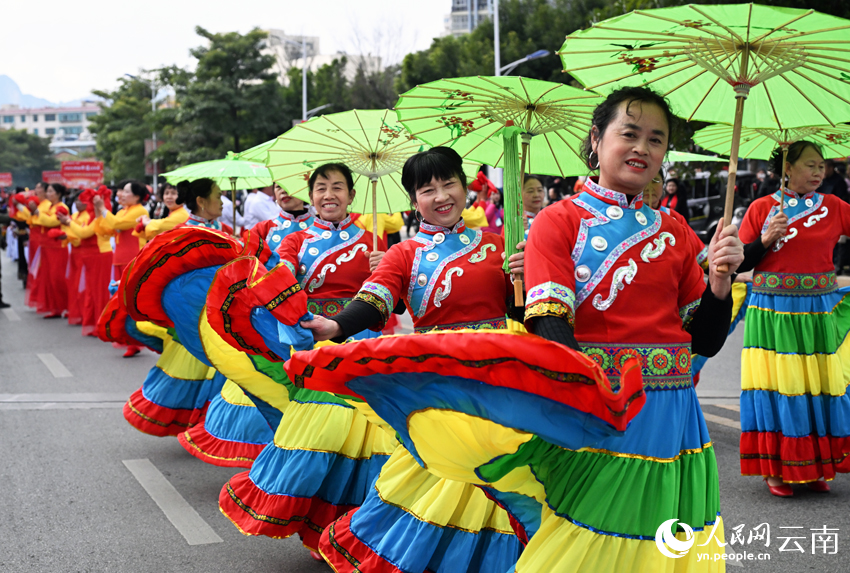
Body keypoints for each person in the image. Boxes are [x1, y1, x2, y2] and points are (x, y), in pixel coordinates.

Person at [301, 147, 524, 573]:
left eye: (449, 184)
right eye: (428, 189)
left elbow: (524, 314)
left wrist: (527, 277)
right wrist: (335, 327)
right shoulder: (405, 253)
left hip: (500, 381)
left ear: (465, 187)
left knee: (502, 479)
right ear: (412, 200)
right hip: (439, 387)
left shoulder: (499, 245)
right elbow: (375, 298)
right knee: (438, 479)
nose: (441, 196)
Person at [219, 163, 396, 560]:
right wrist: (286, 280)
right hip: (315, 350)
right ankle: (318, 525)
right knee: (322, 443)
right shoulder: (295, 241)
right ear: (311, 195)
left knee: (368, 444)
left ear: (352, 195)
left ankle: (357, 525)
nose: (329, 194)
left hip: (363, 346)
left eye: (337, 187)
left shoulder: (374, 240)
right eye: (320, 188)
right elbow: (276, 283)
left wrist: (383, 269)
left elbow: (395, 304)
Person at [737, 140, 850, 496]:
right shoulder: (760, 209)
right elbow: (738, 263)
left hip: (817, 310)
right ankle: (776, 469)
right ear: (787, 168)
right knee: (779, 388)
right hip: (772, 312)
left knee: (815, 388)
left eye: (822, 166)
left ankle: (813, 466)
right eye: (811, 165)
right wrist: (766, 238)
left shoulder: (834, 207)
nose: (819, 172)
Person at [57, 188, 114, 336]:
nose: (80, 203)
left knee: (99, 292)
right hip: (89, 256)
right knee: (91, 292)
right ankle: (95, 323)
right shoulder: (90, 216)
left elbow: (84, 233)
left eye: (84, 200)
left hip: (100, 256)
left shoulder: (99, 216)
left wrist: (68, 222)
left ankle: (102, 324)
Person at [27, 183, 70, 317]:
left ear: (58, 194)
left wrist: (37, 212)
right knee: (49, 278)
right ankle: (55, 308)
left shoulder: (62, 207)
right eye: (48, 191)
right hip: (46, 245)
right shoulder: (49, 206)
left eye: (51, 191)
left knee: (58, 278)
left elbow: (51, 222)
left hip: (57, 246)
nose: (48, 194)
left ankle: (68, 306)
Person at [250, 183, 313, 247]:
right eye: (278, 186)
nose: (283, 190)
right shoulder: (262, 229)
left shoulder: (319, 227)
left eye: (290, 185)